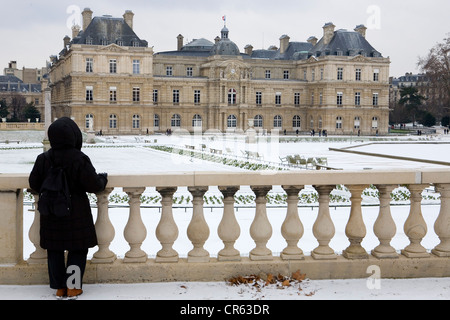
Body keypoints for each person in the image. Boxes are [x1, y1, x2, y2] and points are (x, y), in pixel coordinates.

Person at [29, 117, 108, 299]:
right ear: (74, 136)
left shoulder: (43, 158)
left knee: (54, 249)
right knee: (77, 248)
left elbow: (34, 183)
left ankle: (59, 287)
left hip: (52, 211)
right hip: (76, 211)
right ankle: (72, 287)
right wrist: (103, 178)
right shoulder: (79, 158)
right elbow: (94, 185)